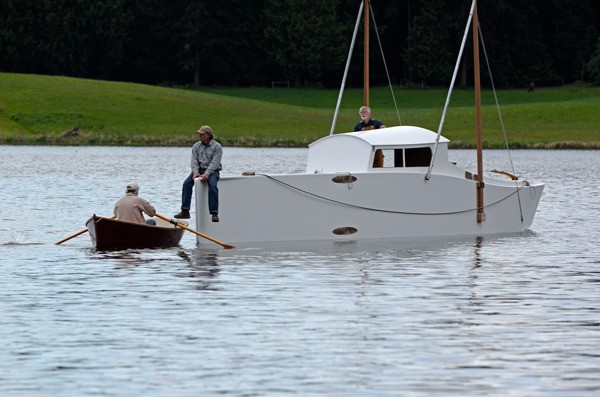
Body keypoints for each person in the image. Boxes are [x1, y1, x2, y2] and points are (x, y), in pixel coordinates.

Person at [174, 125, 223, 222]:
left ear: (208, 135)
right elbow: (194, 161)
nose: (199, 136)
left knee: (213, 186)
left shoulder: (217, 147)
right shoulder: (196, 146)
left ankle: (214, 213)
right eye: (199, 134)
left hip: (213, 171)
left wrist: (207, 174)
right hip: (199, 169)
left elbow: (215, 163)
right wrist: (195, 172)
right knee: (186, 184)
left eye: (202, 134)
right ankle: (185, 210)